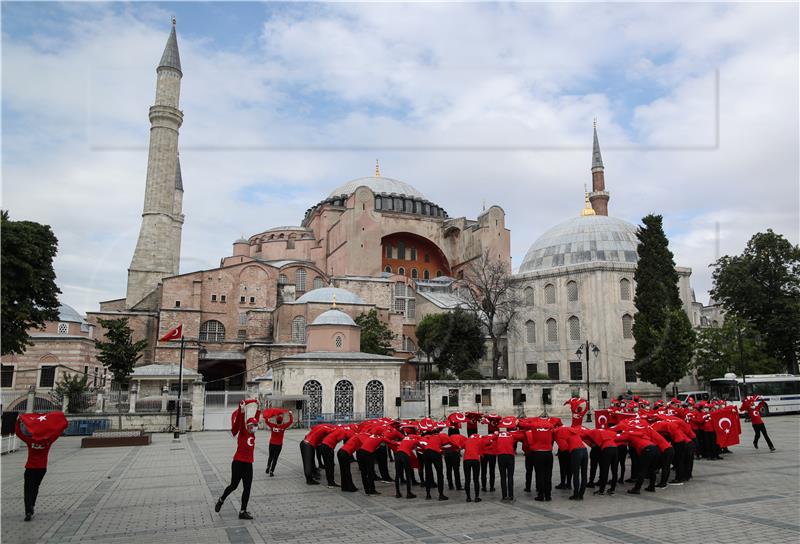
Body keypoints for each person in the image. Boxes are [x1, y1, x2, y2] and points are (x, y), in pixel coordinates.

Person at [15, 411, 68, 521]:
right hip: (42, 468)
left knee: (27, 489)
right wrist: (62, 424)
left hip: (30, 468)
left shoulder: (31, 441)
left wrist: (18, 423)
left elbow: (19, 434)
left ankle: (28, 510)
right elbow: (57, 433)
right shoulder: (48, 441)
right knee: (35, 487)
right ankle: (32, 505)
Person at [216, 399, 260, 519]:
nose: (255, 427)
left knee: (247, 488)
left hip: (248, 464)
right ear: (248, 426)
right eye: (253, 425)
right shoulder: (243, 432)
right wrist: (242, 410)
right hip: (238, 463)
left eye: (256, 425)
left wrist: (259, 408)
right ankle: (221, 499)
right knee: (234, 485)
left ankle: (242, 511)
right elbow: (241, 420)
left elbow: (256, 418)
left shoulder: (253, 434)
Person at [493, 427, 525, 501]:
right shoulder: (512, 434)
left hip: (501, 456)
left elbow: (489, 439)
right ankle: (511, 495)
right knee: (510, 476)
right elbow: (522, 435)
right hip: (510, 456)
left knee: (503, 476)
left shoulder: (497, 435)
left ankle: (504, 496)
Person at [420, 431, 451, 501]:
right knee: (439, 474)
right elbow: (447, 444)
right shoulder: (442, 436)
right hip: (435, 453)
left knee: (427, 473)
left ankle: (428, 494)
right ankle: (441, 494)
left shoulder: (430, 437)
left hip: (426, 452)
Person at [264, 410, 293, 476]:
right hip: (278, 445)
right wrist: (290, 414)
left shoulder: (272, 426)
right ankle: (272, 471)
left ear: (276, 421)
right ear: (282, 421)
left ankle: (268, 466)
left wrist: (267, 417)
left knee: (270, 456)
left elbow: (266, 421)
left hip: (271, 444)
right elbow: (290, 422)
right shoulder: (283, 426)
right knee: (275, 458)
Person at [444, 424, 463, 491]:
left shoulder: (447, 437)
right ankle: (458, 485)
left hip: (447, 454)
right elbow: (461, 446)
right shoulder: (459, 437)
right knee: (456, 470)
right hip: (455, 454)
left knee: (448, 470)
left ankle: (450, 485)